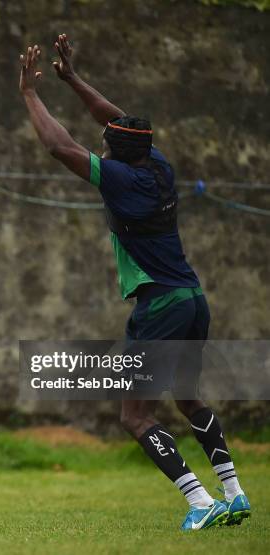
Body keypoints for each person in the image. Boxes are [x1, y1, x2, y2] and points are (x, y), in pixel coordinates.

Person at [18, 35, 250, 530]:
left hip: (160, 307)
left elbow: (60, 146)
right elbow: (118, 119)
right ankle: (234, 492)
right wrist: (73, 79)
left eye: (106, 140)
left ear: (116, 154)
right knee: (188, 398)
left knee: (134, 415)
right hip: (192, 298)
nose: (103, 137)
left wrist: (30, 95)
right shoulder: (157, 164)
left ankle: (200, 502)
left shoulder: (123, 178)